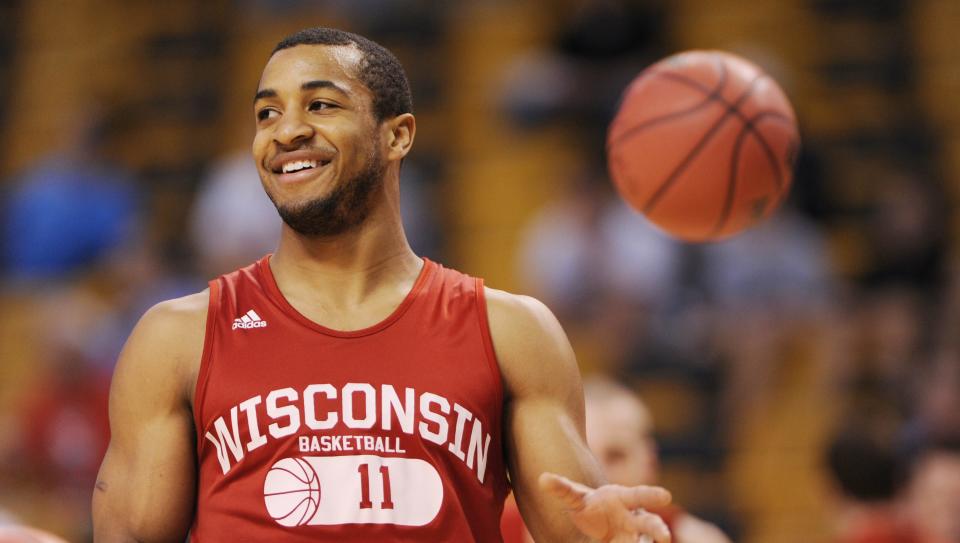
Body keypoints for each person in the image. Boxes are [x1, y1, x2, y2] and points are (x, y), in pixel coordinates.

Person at [92, 27, 672, 542]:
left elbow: (583, 533)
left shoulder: (512, 332)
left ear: (397, 136)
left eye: (319, 104)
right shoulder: (178, 337)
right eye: (267, 113)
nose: (287, 130)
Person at [502, 377, 730, 543]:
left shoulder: (694, 537)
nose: (594, 474)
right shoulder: (489, 528)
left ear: (650, 464)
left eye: (615, 456)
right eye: (580, 454)